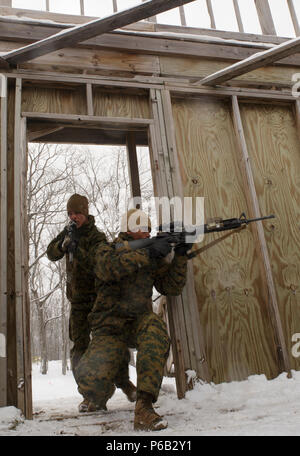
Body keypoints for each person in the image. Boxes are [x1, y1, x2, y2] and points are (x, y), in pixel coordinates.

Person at [76, 208, 189, 430]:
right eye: (141, 228)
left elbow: (171, 287)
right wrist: (148, 254)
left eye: (148, 229)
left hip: (138, 322)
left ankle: (144, 407)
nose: (147, 233)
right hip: (108, 328)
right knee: (91, 381)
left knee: (155, 329)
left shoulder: (152, 254)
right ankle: (99, 393)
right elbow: (108, 269)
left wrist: (181, 255)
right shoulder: (105, 250)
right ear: (127, 229)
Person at [46, 194, 136, 413]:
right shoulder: (68, 232)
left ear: (85, 212)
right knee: (79, 348)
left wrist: (79, 250)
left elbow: (101, 265)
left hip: (99, 302)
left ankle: (124, 384)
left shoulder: (96, 237)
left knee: (109, 344)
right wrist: (63, 244)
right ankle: (91, 396)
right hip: (77, 303)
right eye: (69, 213)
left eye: (76, 213)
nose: (73, 217)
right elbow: (51, 253)